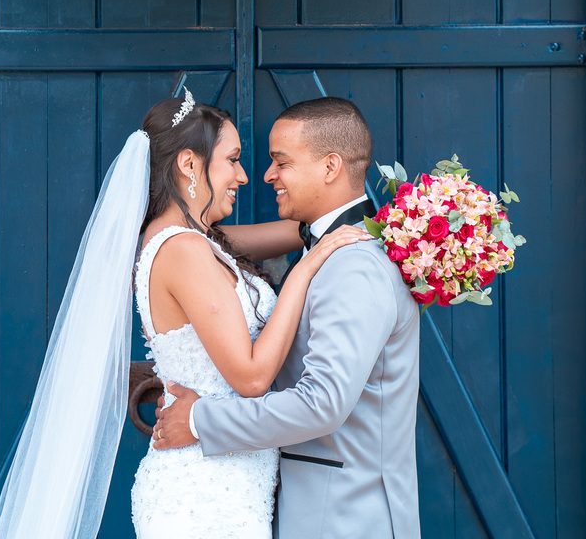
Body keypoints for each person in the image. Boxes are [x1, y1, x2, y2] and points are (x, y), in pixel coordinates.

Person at [0, 90, 367, 539]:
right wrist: (303, 274)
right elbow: (251, 378)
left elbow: (299, 229)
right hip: (204, 494)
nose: (244, 177)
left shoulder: (195, 241)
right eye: (233, 160)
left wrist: (395, 224)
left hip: (230, 479)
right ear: (189, 164)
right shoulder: (184, 250)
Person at [154, 97, 422, 539]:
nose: (265, 175)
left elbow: (322, 403)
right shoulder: (323, 248)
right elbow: (198, 244)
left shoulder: (354, 265)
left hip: (344, 518)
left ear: (330, 166)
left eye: (281, 162)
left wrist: (200, 420)